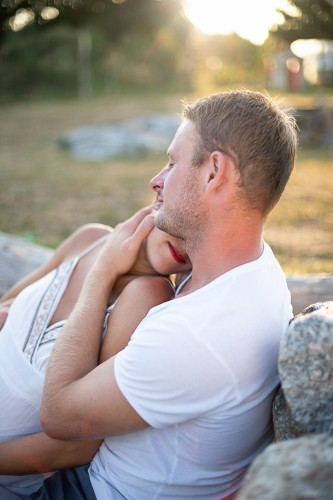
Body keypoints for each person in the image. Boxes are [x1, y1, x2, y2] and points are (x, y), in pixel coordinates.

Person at [37, 89, 298, 500]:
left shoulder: (199, 334)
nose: (155, 180)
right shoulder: (251, 268)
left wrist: (101, 274)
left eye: (173, 162)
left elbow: (58, 415)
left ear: (214, 172)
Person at [0, 221, 191, 498]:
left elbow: (79, 444)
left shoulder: (146, 295)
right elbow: (8, 305)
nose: (187, 244)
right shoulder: (90, 238)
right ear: (161, 191)